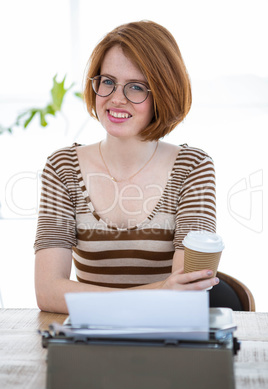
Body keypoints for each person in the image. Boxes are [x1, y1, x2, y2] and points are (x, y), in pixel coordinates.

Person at [34, 20, 219, 313]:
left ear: (163, 93)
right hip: (89, 342)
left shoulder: (193, 167)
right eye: (107, 81)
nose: (116, 99)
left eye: (136, 87)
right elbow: (47, 292)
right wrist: (159, 291)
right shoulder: (63, 167)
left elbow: (185, 291)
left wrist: (86, 300)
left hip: (166, 342)